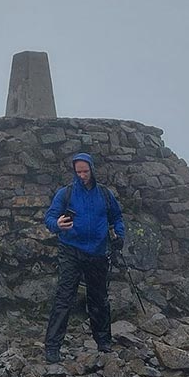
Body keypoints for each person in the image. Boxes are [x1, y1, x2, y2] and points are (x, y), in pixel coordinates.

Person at [43, 153, 125, 363]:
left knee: (99, 298)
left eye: (85, 171)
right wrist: (57, 224)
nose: (82, 175)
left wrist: (119, 235)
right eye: (78, 172)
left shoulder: (105, 194)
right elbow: (50, 217)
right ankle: (52, 347)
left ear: (92, 169)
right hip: (70, 249)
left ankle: (104, 343)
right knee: (64, 298)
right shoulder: (66, 193)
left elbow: (116, 217)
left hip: (98, 251)